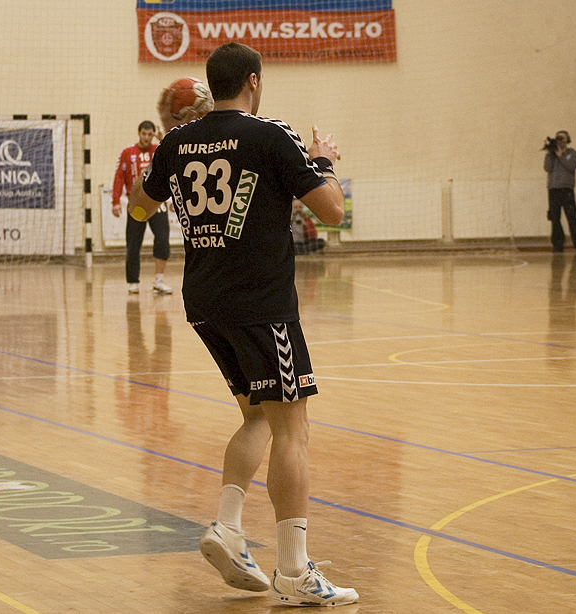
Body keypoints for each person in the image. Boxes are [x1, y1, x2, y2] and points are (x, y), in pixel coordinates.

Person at [128, 42, 358, 606]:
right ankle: (294, 571)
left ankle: (229, 529)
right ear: (253, 80)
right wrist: (322, 161)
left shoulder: (176, 143)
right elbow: (332, 213)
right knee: (292, 430)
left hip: (206, 303)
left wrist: (164, 158)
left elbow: (137, 208)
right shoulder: (271, 135)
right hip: (262, 304)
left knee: (257, 416)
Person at [112, 120, 173, 295]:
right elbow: (119, 177)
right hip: (137, 205)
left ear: (153, 134)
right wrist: (115, 201)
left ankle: (159, 280)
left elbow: (173, 158)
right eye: (143, 134)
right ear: (139, 133)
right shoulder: (128, 152)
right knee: (133, 243)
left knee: (162, 239)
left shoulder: (159, 149)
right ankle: (133, 282)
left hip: (157, 203)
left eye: (149, 134)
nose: (146, 137)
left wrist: (163, 139)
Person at [543, 130, 576, 252]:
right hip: (553, 189)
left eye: (562, 139)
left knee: (571, 217)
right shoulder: (552, 154)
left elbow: (571, 166)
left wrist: (561, 155)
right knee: (554, 218)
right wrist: (549, 154)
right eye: (558, 138)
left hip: (567, 189)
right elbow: (547, 168)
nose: (560, 141)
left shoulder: (573, 153)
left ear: (567, 141)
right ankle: (557, 245)